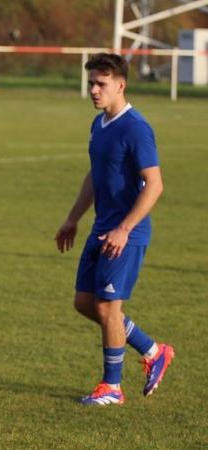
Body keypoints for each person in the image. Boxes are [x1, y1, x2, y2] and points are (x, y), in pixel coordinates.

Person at [55, 53, 174, 406]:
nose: (93, 90)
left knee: (108, 308)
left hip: (127, 233)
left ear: (120, 85)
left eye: (101, 84)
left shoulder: (136, 128)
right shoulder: (99, 125)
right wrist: (73, 218)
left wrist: (124, 228)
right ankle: (154, 351)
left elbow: (154, 185)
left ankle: (112, 387)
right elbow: (96, 175)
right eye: (91, 82)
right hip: (101, 228)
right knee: (84, 303)